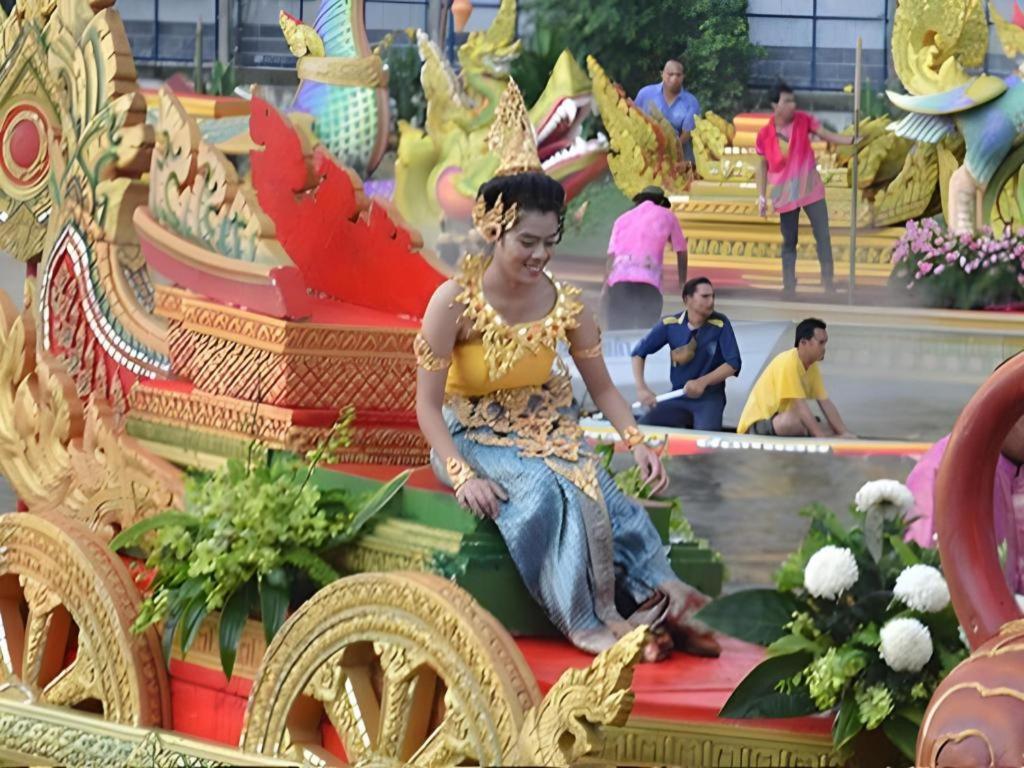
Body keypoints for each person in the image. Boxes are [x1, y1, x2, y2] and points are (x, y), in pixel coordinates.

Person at [415, 80, 718, 661]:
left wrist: (636, 441)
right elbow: (427, 407)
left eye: (549, 243)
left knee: (605, 495)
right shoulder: (452, 302)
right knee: (545, 498)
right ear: (494, 229)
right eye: (527, 242)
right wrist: (462, 476)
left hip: (547, 430)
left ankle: (663, 602)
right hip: (469, 435)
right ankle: (588, 622)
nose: (539, 256)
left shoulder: (564, 302)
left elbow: (602, 386)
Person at [755, 81, 858, 295]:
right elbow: (762, 165)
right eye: (787, 101)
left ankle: (828, 281)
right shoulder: (764, 134)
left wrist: (851, 140)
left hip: (810, 187)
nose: (793, 105)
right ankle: (789, 285)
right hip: (784, 192)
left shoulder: (803, 120)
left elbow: (826, 134)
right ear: (775, 105)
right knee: (789, 240)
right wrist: (761, 196)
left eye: (793, 100)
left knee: (823, 235)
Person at [631, 277, 740, 431]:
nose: (711, 301)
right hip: (677, 396)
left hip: (709, 400)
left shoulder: (721, 323)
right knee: (643, 428)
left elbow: (733, 363)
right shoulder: (669, 324)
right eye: (705, 296)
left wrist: (702, 382)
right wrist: (641, 388)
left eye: (712, 296)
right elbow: (638, 353)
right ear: (687, 299)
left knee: (704, 444)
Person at [736, 317, 854, 438]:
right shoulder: (788, 362)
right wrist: (821, 438)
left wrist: (844, 433)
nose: (824, 348)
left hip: (782, 419)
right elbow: (800, 405)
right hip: (757, 425)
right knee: (796, 420)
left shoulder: (811, 366)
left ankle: (815, 434)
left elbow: (825, 402)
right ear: (803, 342)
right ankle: (814, 435)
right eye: (821, 343)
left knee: (828, 427)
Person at [601, 185, 688, 330]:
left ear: (639, 201)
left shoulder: (621, 219)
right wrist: (682, 283)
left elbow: (611, 257)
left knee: (617, 334)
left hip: (619, 283)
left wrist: (605, 288)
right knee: (646, 336)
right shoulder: (668, 216)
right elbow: (682, 251)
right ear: (661, 202)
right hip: (649, 284)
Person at [635, 60, 700, 165]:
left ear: (683, 76)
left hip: (680, 163)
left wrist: (668, 149)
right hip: (648, 160)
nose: (674, 78)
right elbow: (634, 120)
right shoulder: (645, 94)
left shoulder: (691, 102)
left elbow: (686, 134)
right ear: (662, 74)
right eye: (670, 74)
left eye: (678, 75)